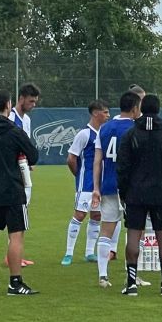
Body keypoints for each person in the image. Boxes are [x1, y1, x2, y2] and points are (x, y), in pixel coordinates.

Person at [117, 94, 162, 296]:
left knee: (133, 235)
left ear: (141, 108)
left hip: (136, 193)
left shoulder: (131, 134)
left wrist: (123, 191)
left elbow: (122, 167)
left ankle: (131, 284)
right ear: (159, 109)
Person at [0, 90, 40, 295]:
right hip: (12, 189)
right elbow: (33, 155)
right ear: (8, 105)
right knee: (16, 236)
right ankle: (15, 282)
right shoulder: (14, 130)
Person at [91, 92, 142, 288]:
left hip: (109, 185)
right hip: (131, 188)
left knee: (106, 230)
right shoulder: (135, 128)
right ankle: (132, 276)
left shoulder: (104, 129)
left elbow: (97, 161)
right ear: (135, 108)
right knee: (133, 231)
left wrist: (96, 187)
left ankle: (103, 276)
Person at [62, 100, 110, 266]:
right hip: (86, 182)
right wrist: (79, 175)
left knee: (96, 215)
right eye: (105, 112)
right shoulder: (84, 134)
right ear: (96, 113)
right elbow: (71, 158)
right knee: (80, 214)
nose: (108, 115)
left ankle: (89, 252)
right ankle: (68, 253)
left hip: (100, 183)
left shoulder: (105, 133)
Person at [8, 83, 40, 267]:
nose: (33, 105)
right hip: (14, 173)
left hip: (24, 169)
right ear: (21, 98)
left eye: (35, 102)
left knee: (23, 211)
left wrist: (27, 162)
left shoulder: (25, 119)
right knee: (18, 213)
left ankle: (16, 254)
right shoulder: (11, 117)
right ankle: (12, 256)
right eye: (31, 101)